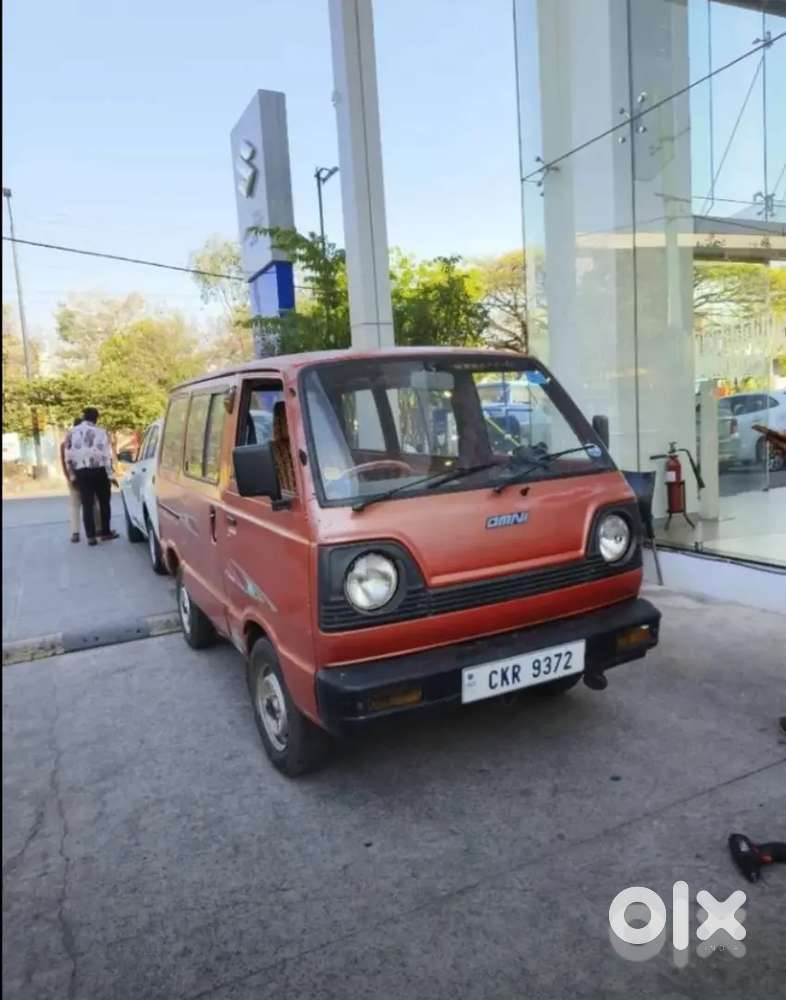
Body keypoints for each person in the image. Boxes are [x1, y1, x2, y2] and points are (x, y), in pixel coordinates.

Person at [65, 407, 119, 546]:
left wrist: (72, 475)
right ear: (96, 418)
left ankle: (91, 537)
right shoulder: (101, 432)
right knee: (104, 503)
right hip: (99, 471)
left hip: (81, 472)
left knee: (87, 504)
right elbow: (106, 455)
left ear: (84, 417)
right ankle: (105, 532)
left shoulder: (71, 433)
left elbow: (68, 456)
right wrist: (110, 475)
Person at [60, 417, 102, 542]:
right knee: (92, 504)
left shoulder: (66, 443)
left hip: (74, 478)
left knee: (75, 506)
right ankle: (97, 529)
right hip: (88, 478)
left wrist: (69, 478)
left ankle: (75, 532)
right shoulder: (89, 442)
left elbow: (65, 463)